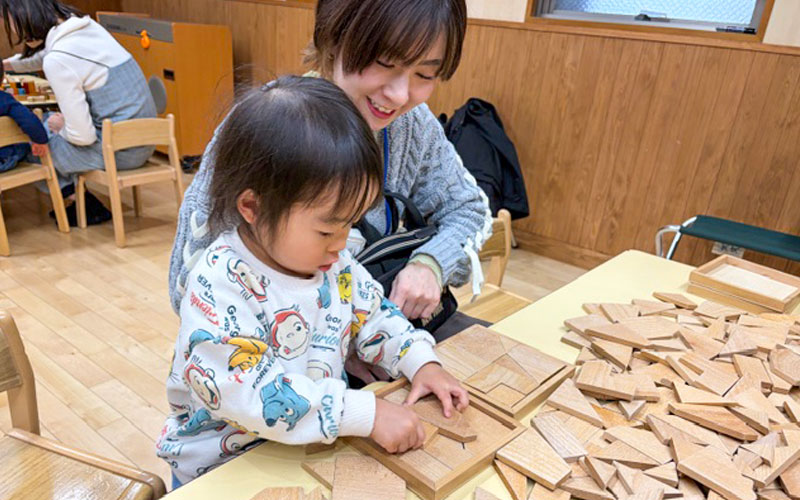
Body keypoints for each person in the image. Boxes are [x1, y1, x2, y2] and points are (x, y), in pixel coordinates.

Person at [157, 76, 469, 487]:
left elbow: (376, 316)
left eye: (350, 223)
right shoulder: (219, 283)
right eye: (326, 229)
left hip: (310, 446)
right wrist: (366, 413)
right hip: (221, 469)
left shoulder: (333, 262)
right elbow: (252, 394)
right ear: (252, 207)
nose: (342, 243)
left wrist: (420, 362)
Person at [169, 0, 492, 339]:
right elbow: (190, 285)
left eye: (424, 74)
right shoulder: (268, 126)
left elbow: (468, 209)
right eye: (384, 63)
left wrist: (431, 264)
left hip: (381, 334)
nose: (399, 96)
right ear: (335, 36)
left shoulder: (411, 125)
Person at [1, 0, 156, 224]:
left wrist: (61, 127)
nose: (15, 33)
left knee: (31, 145)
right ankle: (80, 198)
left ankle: (82, 204)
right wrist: (6, 65)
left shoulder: (59, 58)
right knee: (46, 125)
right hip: (145, 141)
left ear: (25, 18)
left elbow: (83, 137)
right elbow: (45, 57)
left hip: (120, 152)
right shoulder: (86, 29)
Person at [0, 66, 49, 171]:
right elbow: (29, 121)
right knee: (25, 145)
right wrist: (40, 141)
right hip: (4, 159)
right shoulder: (5, 99)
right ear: (2, 78)